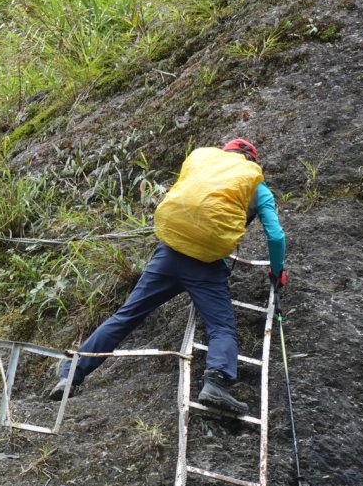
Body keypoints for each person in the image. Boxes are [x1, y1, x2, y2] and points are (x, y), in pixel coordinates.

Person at [47, 139, 286, 415]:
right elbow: (276, 236)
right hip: (206, 264)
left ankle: (70, 374)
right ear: (251, 161)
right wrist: (277, 271)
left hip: (169, 254)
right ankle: (216, 382)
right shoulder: (255, 184)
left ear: (225, 153)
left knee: (126, 315)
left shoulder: (202, 163)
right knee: (221, 328)